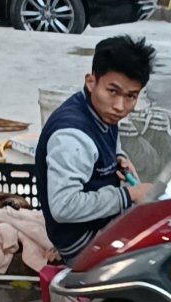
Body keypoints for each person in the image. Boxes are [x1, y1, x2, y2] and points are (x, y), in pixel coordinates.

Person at [36, 33, 155, 259]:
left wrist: (119, 158)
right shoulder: (72, 137)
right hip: (81, 243)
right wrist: (128, 195)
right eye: (113, 91)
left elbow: (110, 144)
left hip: (98, 223)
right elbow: (63, 206)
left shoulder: (100, 112)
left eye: (131, 96)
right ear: (91, 82)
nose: (120, 106)